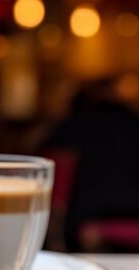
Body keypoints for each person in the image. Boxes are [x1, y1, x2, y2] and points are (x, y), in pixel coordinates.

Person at [42, 77, 139, 251]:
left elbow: (45, 148)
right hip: (133, 210)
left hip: (88, 213)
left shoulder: (78, 121)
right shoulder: (134, 121)